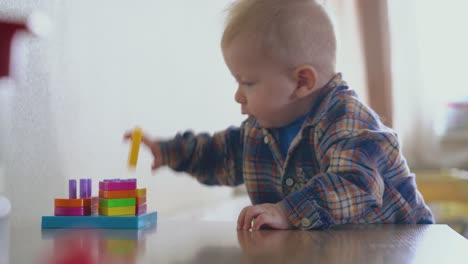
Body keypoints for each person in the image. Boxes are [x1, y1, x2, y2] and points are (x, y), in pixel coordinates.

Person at [124, 0, 434, 230]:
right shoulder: (259, 130)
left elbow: (355, 183)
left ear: (302, 81)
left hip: (398, 248)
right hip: (328, 249)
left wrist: (288, 212)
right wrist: (169, 152)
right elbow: (220, 153)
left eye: (248, 82)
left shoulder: (350, 122)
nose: (237, 95)